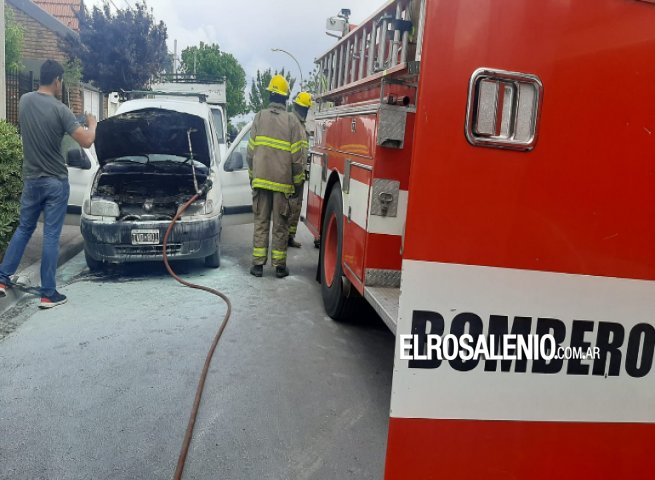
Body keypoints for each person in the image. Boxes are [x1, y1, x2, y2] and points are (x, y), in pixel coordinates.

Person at [0, 59, 97, 308]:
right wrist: (92, 124)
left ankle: (2, 279)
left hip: (31, 180)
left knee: (24, 228)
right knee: (52, 236)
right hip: (55, 182)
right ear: (57, 81)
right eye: (61, 82)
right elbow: (86, 141)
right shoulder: (60, 110)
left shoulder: (24, 101)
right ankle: (48, 294)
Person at [247, 74, 305, 278]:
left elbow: (250, 152)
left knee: (261, 222)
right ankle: (280, 267)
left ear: (270, 95)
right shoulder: (292, 122)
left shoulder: (259, 117)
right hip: (282, 183)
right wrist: (297, 184)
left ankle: (257, 265)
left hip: (261, 181)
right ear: (286, 98)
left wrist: (252, 177)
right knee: (280, 225)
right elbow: (298, 157)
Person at [287, 91, 312, 248]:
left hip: (299, 174)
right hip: (290, 175)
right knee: (289, 207)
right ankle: (285, 237)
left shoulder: (301, 125)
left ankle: (290, 236)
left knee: (296, 207)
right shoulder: (291, 122)